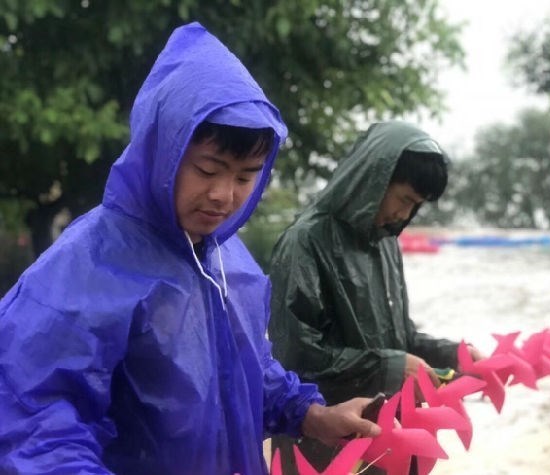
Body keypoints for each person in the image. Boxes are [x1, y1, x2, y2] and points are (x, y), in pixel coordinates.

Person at [0, 22, 379, 475]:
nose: (224, 195)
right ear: (163, 151)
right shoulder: (84, 267)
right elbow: (37, 425)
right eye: (208, 168)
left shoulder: (230, 262)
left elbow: (251, 373)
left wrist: (313, 416)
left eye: (245, 176)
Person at [268, 121, 482, 473]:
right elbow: (295, 356)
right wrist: (389, 365)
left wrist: (453, 354)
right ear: (373, 180)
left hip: (389, 430)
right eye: (404, 200)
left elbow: (402, 336)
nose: (404, 215)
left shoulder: (385, 244)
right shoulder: (305, 242)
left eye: (416, 206)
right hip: (325, 439)